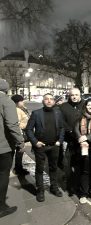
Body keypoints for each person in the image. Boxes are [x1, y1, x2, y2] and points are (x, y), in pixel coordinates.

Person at [25, 93, 64, 202]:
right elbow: (28, 129)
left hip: (54, 146)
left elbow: (61, 128)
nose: (49, 101)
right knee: (40, 169)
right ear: (43, 101)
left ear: (54, 101)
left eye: (51, 99)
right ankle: (40, 190)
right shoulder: (36, 113)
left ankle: (54, 187)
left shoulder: (58, 113)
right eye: (46, 99)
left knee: (53, 168)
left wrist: (59, 141)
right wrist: (35, 142)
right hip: (41, 146)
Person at [0, 79, 24, 218]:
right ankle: (1, 207)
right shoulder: (6, 101)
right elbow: (12, 125)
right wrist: (20, 143)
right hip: (3, 147)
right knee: (3, 175)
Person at [59, 88, 85, 195]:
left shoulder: (85, 104)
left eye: (76, 94)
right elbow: (61, 121)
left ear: (80, 95)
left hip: (82, 139)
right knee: (68, 163)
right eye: (72, 95)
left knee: (81, 163)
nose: (74, 97)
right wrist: (70, 130)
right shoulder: (63, 106)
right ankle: (70, 185)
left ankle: (80, 184)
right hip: (68, 139)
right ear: (69, 96)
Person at [11, 94, 30, 175]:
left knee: (19, 151)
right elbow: (17, 123)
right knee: (19, 150)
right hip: (19, 134)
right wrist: (25, 125)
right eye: (21, 101)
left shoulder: (21, 109)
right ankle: (18, 168)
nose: (23, 102)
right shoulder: (16, 110)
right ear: (17, 102)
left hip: (20, 133)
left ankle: (18, 167)